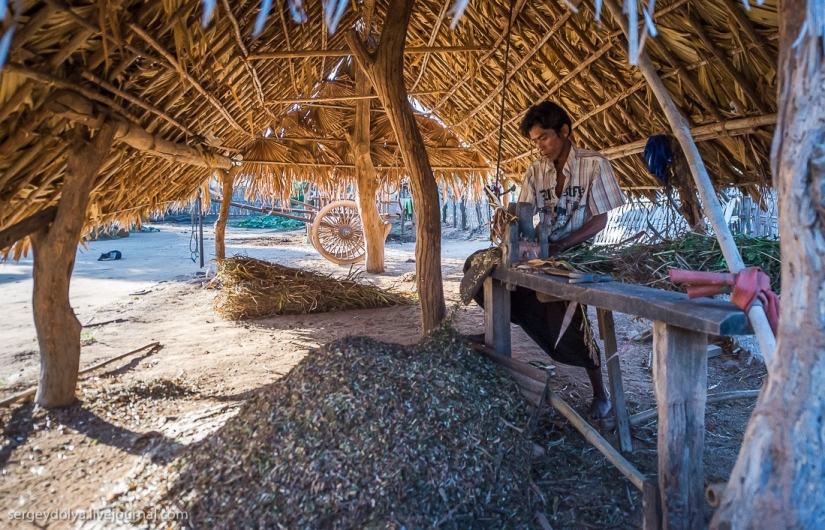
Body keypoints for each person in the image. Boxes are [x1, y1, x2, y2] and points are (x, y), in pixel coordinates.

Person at [464, 101, 625, 419]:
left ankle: (600, 395)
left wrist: (562, 245)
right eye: (535, 140)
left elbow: (599, 220)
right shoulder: (537, 170)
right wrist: (516, 236)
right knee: (478, 267)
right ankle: (502, 331)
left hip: (578, 252)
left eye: (544, 138)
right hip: (545, 248)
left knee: (568, 316)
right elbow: (525, 214)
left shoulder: (594, 165)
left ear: (564, 132)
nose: (539, 146)